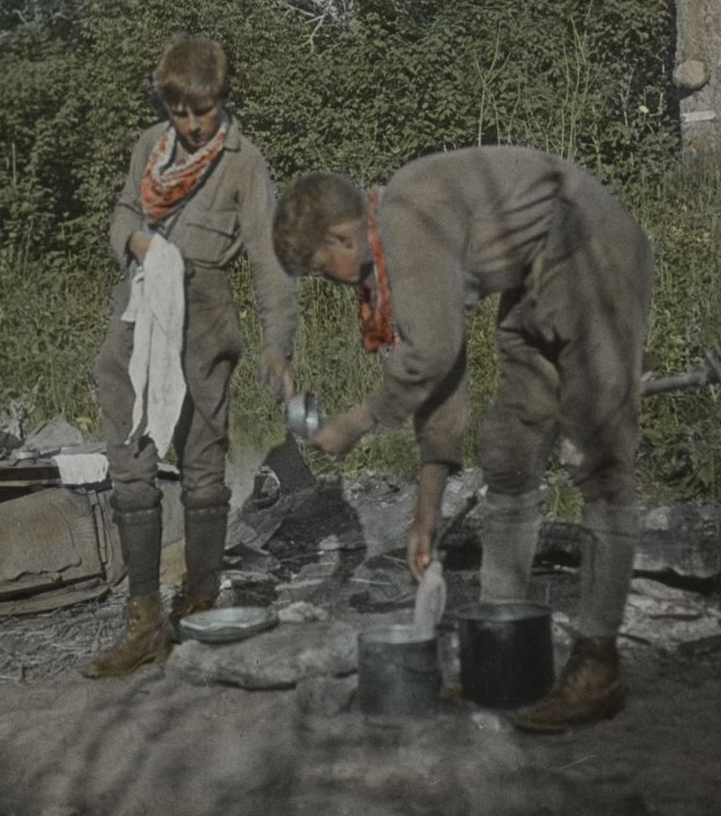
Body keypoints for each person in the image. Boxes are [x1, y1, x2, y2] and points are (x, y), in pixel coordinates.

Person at [272, 146, 653, 730]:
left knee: (602, 460)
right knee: (507, 453)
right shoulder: (391, 238)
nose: (330, 281)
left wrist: (356, 420)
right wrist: (425, 517)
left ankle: (599, 663)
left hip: (592, 252)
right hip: (533, 278)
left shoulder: (405, 220)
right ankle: (506, 646)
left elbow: (432, 355)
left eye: (323, 268)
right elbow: (441, 379)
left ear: (344, 238)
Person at [84, 34, 296, 678]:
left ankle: (201, 605)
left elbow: (269, 257)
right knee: (130, 457)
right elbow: (123, 211)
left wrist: (277, 345)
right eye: (179, 111)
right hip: (139, 309)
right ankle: (144, 620)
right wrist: (138, 244)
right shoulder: (149, 146)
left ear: (221, 103)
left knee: (203, 458)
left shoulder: (243, 161)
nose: (191, 124)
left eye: (202, 112)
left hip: (204, 314)